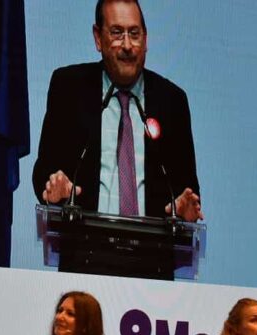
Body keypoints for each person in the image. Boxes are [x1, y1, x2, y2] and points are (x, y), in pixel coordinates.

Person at [33, 0, 202, 223]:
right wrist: (56, 188)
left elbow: (188, 190)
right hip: (83, 240)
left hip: (152, 244)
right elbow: (44, 172)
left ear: (146, 39)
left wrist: (184, 208)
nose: (127, 45)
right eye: (116, 33)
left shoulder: (172, 102)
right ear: (98, 38)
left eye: (134, 33)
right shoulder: (69, 88)